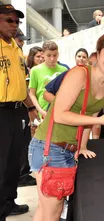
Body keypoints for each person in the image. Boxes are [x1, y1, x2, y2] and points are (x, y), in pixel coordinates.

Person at [28, 32, 104, 220]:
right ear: (97, 54)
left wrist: (81, 146)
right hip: (50, 148)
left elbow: (89, 115)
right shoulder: (79, 74)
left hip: (66, 148)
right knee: (52, 211)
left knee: (46, 210)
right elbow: (59, 114)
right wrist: (101, 120)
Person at [0, 4, 39, 220]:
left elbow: (20, 85)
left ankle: (8, 203)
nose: (14, 26)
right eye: (9, 20)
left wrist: (31, 107)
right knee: (1, 164)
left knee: (14, 162)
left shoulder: (16, 49)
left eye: (17, 21)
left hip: (17, 112)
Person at [13, 29, 37, 187]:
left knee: (22, 142)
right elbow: (20, 87)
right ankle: (21, 175)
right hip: (16, 106)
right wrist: (31, 107)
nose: (22, 43)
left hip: (20, 106)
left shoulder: (19, 56)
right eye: (20, 40)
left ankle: (22, 173)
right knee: (19, 144)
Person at [29, 40, 68, 118]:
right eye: (49, 55)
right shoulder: (35, 70)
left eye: (55, 55)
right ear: (43, 55)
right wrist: (40, 111)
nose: (52, 58)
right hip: (44, 112)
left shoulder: (64, 70)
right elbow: (32, 94)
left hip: (61, 111)